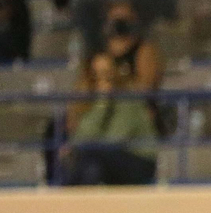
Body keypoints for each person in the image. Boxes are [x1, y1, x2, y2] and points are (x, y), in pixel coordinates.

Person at [61, 51, 158, 185]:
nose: (103, 80)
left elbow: (115, 140)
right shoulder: (87, 99)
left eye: (107, 73)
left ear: (116, 72)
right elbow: (83, 138)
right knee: (92, 169)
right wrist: (101, 104)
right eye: (97, 75)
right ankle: (75, 201)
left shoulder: (128, 99)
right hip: (101, 158)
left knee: (88, 157)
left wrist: (103, 100)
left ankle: (65, 194)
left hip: (138, 159)